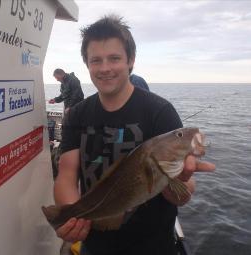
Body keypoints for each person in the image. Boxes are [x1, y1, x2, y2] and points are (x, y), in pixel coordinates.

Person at [53, 15, 215, 255]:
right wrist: (68, 216)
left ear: (131, 61)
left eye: (115, 58)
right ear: (87, 64)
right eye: (96, 60)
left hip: (154, 247)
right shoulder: (77, 114)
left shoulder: (160, 111)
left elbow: (183, 195)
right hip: (95, 245)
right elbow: (67, 175)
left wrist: (177, 180)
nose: (105, 68)